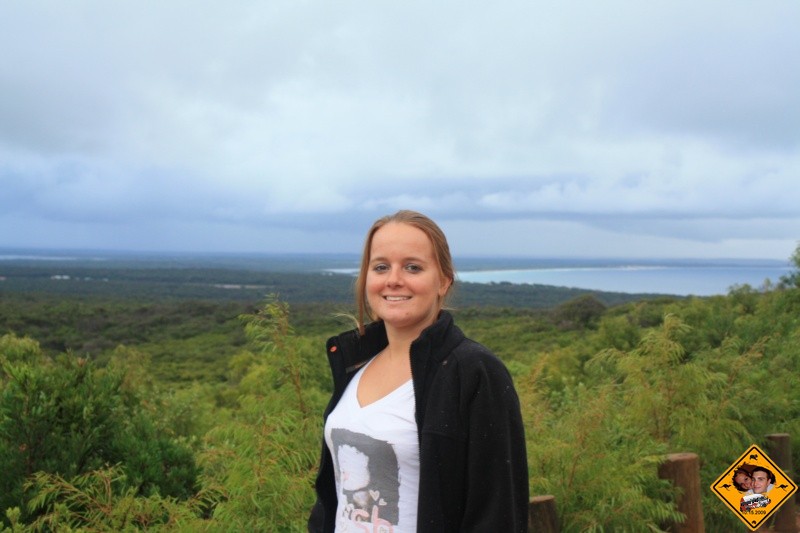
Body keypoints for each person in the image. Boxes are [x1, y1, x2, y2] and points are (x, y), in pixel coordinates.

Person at [308, 210, 529, 532]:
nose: (393, 279)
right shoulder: (355, 364)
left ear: (443, 281)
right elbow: (333, 497)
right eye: (381, 267)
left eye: (412, 267)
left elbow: (497, 513)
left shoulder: (473, 371)